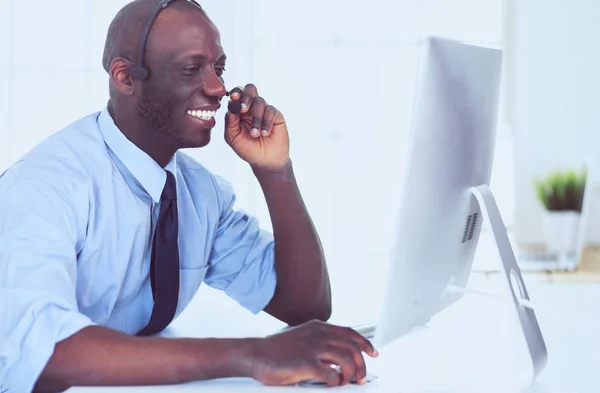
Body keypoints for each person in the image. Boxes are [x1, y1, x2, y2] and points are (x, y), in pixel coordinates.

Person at [0, 1, 378, 392]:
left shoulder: (200, 193)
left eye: (219, 69)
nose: (217, 89)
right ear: (125, 77)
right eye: (190, 68)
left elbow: (303, 306)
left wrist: (275, 171)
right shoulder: (44, 188)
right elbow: (44, 351)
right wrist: (253, 355)